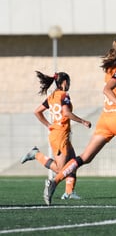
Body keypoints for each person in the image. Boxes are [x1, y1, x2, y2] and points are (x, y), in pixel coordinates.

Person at [43, 37, 116, 206]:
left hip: (105, 120)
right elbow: (107, 90)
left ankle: (54, 181)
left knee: (85, 157)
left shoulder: (110, 69)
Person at [21, 71, 92, 200]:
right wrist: (83, 121)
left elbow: (37, 112)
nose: (69, 85)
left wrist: (48, 125)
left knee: (73, 163)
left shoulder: (52, 96)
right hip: (60, 136)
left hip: (60, 134)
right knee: (61, 170)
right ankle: (36, 154)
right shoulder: (64, 95)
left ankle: (69, 192)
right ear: (64, 82)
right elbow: (66, 113)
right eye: (68, 82)